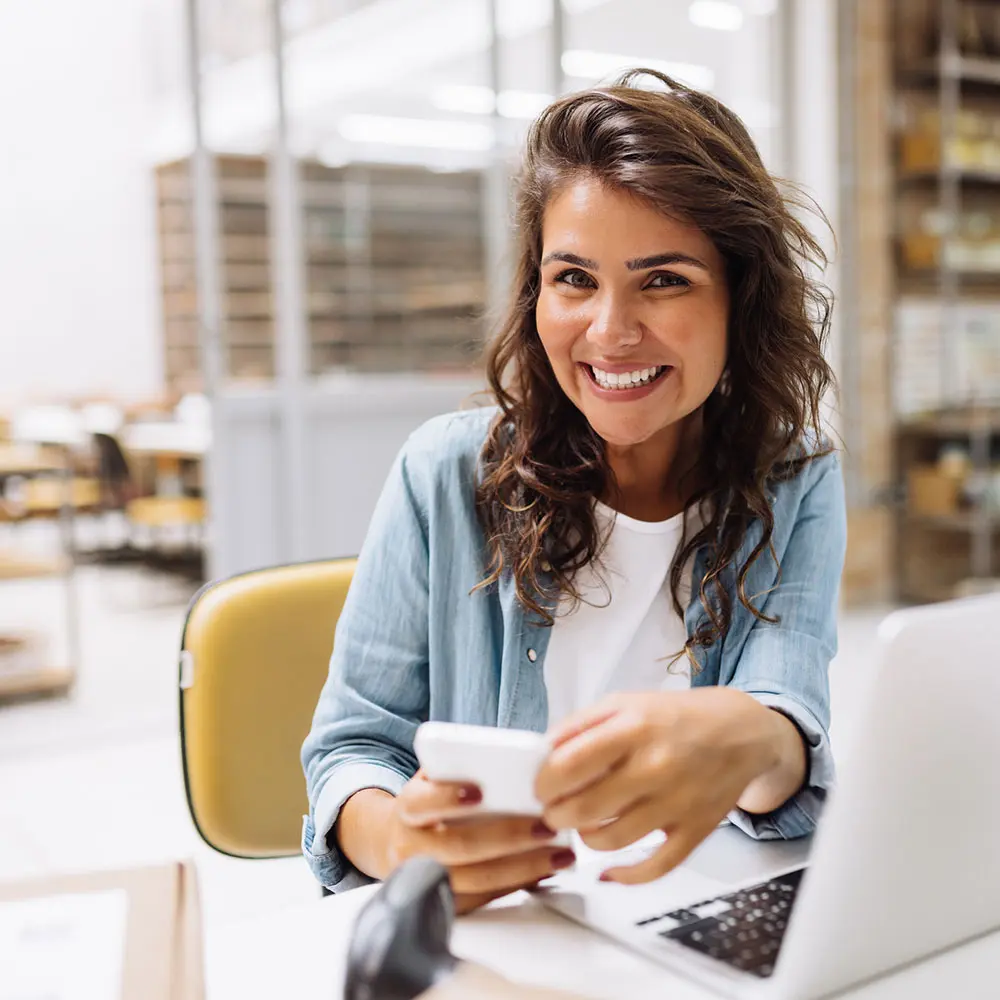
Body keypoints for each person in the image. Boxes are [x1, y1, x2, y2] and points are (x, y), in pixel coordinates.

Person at [301, 69, 846, 914]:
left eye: (663, 279)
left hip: (689, 918)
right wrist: (400, 840)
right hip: (504, 933)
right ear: (537, 292)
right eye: (575, 279)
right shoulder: (444, 473)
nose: (610, 332)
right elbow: (354, 752)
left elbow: (784, 732)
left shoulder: (794, 476)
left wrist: (757, 738)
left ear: (741, 297)